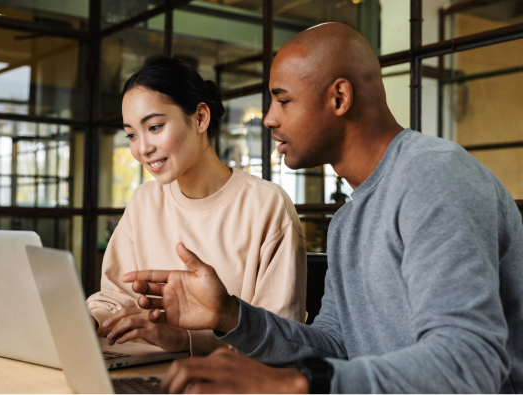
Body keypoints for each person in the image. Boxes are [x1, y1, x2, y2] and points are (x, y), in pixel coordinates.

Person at [124, 23, 523, 395]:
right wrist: (231, 315)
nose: (268, 119)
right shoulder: (348, 220)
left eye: (282, 100)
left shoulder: (433, 175)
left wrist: (300, 385)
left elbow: (472, 363)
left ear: (339, 98)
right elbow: (333, 345)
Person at [86, 57, 307, 356]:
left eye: (154, 126)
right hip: (148, 370)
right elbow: (116, 299)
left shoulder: (266, 205)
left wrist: (184, 340)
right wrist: (88, 320)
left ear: (200, 118)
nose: (142, 148)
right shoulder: (144, 201)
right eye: (131, 134)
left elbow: (281, 337)